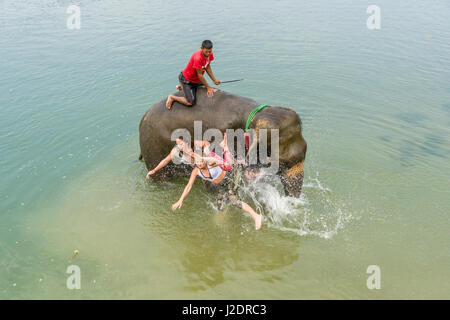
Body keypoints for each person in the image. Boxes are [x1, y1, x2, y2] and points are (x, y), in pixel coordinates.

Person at [171, 134, 263, 230]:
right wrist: (180, 200)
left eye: (201, 161)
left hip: (231, 175)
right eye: (198, 163)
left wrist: (208, 155)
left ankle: (256, 216)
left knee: (233, 199)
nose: (201, 163)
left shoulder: (209, 162)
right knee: (220, 205)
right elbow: (189, 186)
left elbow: (218, 160)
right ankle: (225, 222)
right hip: (222, 184)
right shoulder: (196, 171)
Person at [166, 40, 221, 109]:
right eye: (206, 51)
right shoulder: (198, 58)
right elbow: (200, 75)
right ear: (201, 48)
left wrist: (214, 80)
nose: (208, 54)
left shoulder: (209, 55)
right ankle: (172, 97)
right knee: (190, 102)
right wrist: (208, 87)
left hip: (195, 79)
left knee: (209, 87)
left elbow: (208, 67)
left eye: (210, 51)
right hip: (186, 80)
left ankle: (181, 87)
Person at [146, 138, 210, 178]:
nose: (180, 147)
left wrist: (206, 149)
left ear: (186, 142)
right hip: (197, 167)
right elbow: (166, 160)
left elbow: (206, 143)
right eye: (178, 144)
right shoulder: (176, 151)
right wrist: (154, 170)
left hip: (206, 162)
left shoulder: (194, 144)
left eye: (181, 143)